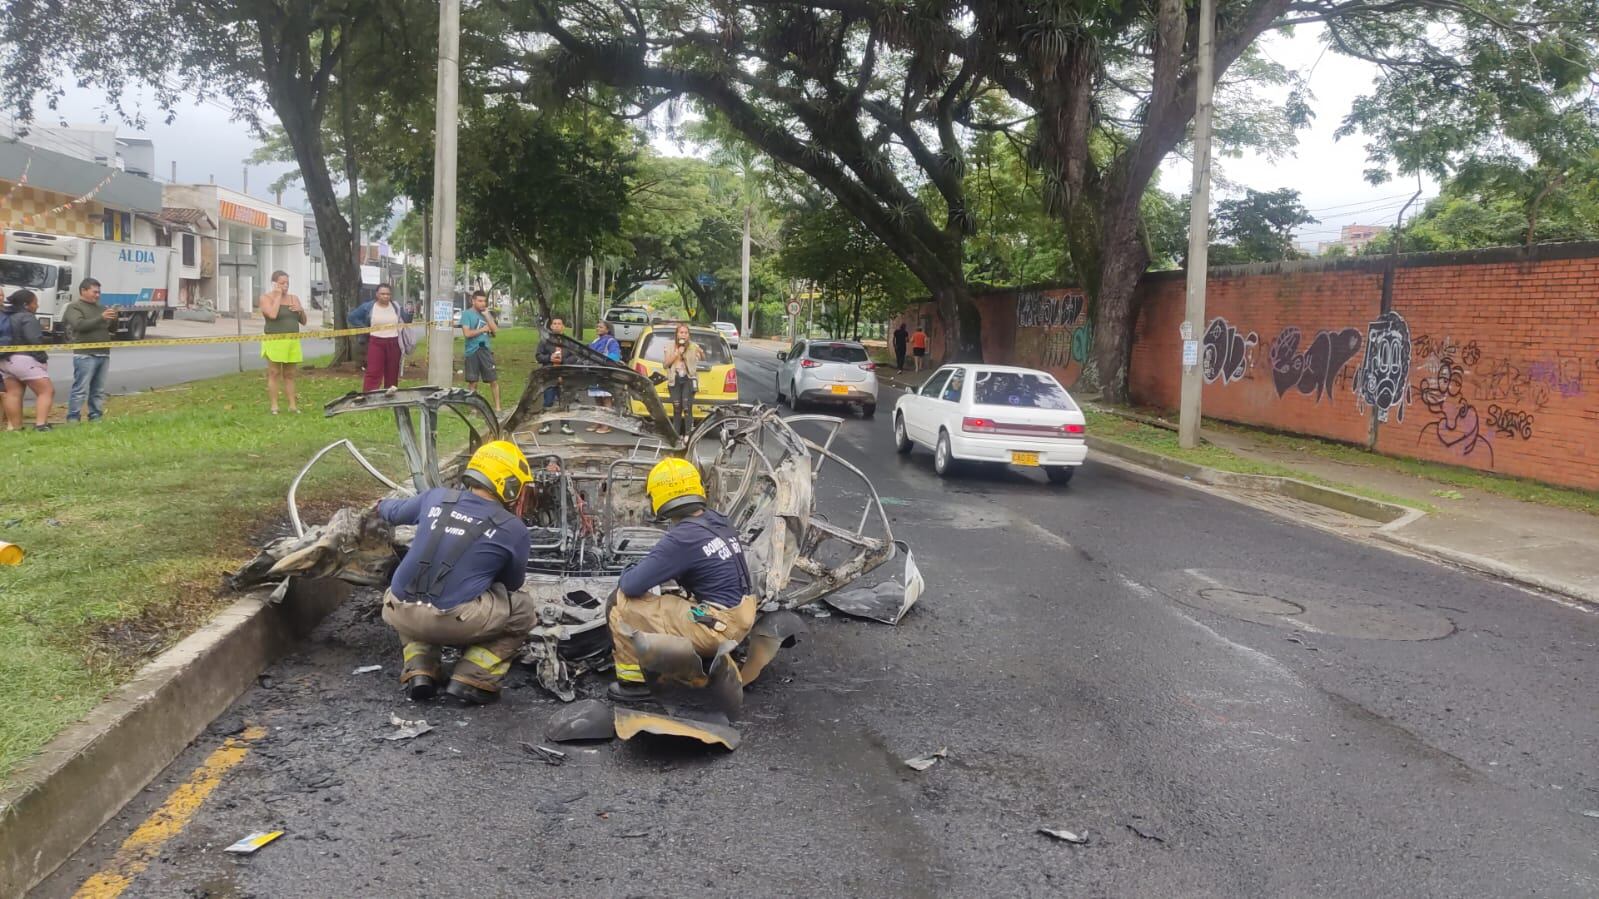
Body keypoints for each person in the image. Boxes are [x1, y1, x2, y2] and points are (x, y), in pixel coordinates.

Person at [378, 439, 535, 704]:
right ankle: (472, 677)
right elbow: (511, 583)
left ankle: (420, 668)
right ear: (508, 483)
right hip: (455, 621)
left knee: (413, 590)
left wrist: (379, 505)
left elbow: (392, 511)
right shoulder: (513, 528)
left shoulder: (436, 497)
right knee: (522, 608)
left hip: (398, 610)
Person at [607, 457, 757, 702]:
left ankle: (636, 683)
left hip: (717, 627)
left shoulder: (681, 539)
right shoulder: (717, 520)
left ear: (659, 497)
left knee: (621, 602)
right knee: (672, 599)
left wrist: (631, 568)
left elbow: (631, 584)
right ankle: (704, 654)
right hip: (742, 615)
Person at [0, 289, 55, 432]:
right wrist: (41, 357)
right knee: (46, 391)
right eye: (35, 303)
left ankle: (16, 428)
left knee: (13, 393)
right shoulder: (27, 317)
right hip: (24, 359)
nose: (36, 306)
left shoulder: (6, 316)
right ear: (26, 304)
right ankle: (41, 425)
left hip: (5, 360)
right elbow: (34, 340)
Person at [63, 277, 116, 423]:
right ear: (83, 291)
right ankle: (73, 417)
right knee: (80, 389)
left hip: (103, 353)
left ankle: (95, 415)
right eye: (94, 292)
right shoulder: (74, 307)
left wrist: (114, 318)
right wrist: (101, 318)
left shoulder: (102, 308)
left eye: (99, 292)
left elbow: (112, 329)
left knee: (98, 390)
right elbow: (79, 325)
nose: (97, 295)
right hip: (85, 354)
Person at [259, 270, 308, 415]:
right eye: (282, 283)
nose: (285, 285)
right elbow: (272, 315)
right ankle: (274, 406)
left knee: (290, 374)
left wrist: (301, 310)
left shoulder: (294, 298)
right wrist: (279, 296)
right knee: (274, 373)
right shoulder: (265, 298)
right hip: (274, 340)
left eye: (287, 283)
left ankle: (292, 406)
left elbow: (304, 321)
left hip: (292, 341)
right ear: (274, 283)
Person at [460, 290, 501, 414]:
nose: (483, 303)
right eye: (480, 301)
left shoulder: (486, 314)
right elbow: (467, 333)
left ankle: (498, 408)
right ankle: (473, 409)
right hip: (472, 351)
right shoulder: (467, 314)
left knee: (493, 380)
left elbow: (495, 331)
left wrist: (488, 315)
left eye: (484, 301)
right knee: (473, 382)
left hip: (485, 350)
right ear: (473, 301)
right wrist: (482, 329)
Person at [361, 284, 409, 391]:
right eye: (383, 294)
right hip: (376, 341)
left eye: (388, 294)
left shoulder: (396, 306)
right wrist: (364, 328)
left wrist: (409, 313)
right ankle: (369, 394)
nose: (386, 296)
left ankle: (390, 393)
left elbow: (406, 319)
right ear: (377, 294)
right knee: (373, 370)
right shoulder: (369, 307)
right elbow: (353, 317)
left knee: (392, 371)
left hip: (394, 342)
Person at [662, 323, 705, 435]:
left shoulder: (693, 346)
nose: (683, 335)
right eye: (681, 332)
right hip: (674, 379)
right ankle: (675, 434)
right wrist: (677, 354)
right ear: (677, 334)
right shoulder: (670, 346)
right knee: (677, 407)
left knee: (686, 407)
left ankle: (687, 434)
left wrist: (701, 352)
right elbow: (665, 364)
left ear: (688, 335)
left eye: (686, 333)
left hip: (688, 379)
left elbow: (702, 358)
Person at [535, 317, 574, 436]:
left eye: (559, 324)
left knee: (564, 401)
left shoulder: (569, 342)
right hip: (549, 375)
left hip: (564, 375)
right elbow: (538, 356)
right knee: (548, 401)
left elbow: (576, 357)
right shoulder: (545, 341)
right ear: (551, 326)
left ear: (563, 327)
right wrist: (549, 358)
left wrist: (564, 360)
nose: (557, 326)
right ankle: (546, 425)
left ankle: (565, 425)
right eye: (554, 324)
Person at [586, 320, 622, 434]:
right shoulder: (595, 341)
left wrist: (599, 357)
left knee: (606, 399)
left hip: (606, 374)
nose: (598, 328)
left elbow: (615, 357)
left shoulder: (611, 341)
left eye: (601, 327)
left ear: (607, 329)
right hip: (595, 373)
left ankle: (607, 425)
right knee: (597, 399)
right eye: (597, 327)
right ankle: (598, 422)